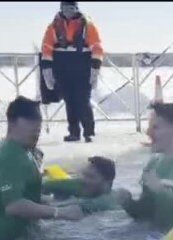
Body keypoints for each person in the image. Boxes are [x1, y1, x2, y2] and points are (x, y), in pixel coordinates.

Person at [0, 96, 83, 240]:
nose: (37, 131)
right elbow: (14, 206)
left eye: (38, 128)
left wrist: (51, 202)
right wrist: (59, 213)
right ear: (12, 123)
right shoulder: (11, 156)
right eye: (31, 125)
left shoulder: (3, 148)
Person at [115, 102, 173, 231]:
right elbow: (147, 214)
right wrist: (128, 203)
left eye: (155, 127)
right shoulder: (153, 163)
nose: (148, 133)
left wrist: (161, 192)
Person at [40, 1, 104, 143]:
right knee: (69, 100)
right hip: (62, 65)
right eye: (66, 8)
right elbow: (46, 48)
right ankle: (74, 132)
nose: (69, 12)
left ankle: (89, 131)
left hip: (82, 64)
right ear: (61, 9)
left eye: (72, 8)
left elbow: (97, 47)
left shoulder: (87, 25)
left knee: (82, 99)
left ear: (76, 9)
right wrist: (47, 70)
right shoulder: (54, 26)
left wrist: (95, 68)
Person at [42, 156, 122, 214]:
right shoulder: (79, 184)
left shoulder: (110, 200)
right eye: (84, 175)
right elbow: (42, 185)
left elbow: (84, 205)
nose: (84, 180)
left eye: (91, 177)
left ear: (107, 182)